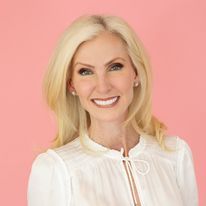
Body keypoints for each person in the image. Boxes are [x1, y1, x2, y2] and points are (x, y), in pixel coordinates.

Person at [27, 14, 198, 206]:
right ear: (71, 85)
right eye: (86, 71)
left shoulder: (175, 154)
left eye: (115, 67)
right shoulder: (55, 169)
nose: (102, 87)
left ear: (136, 73)